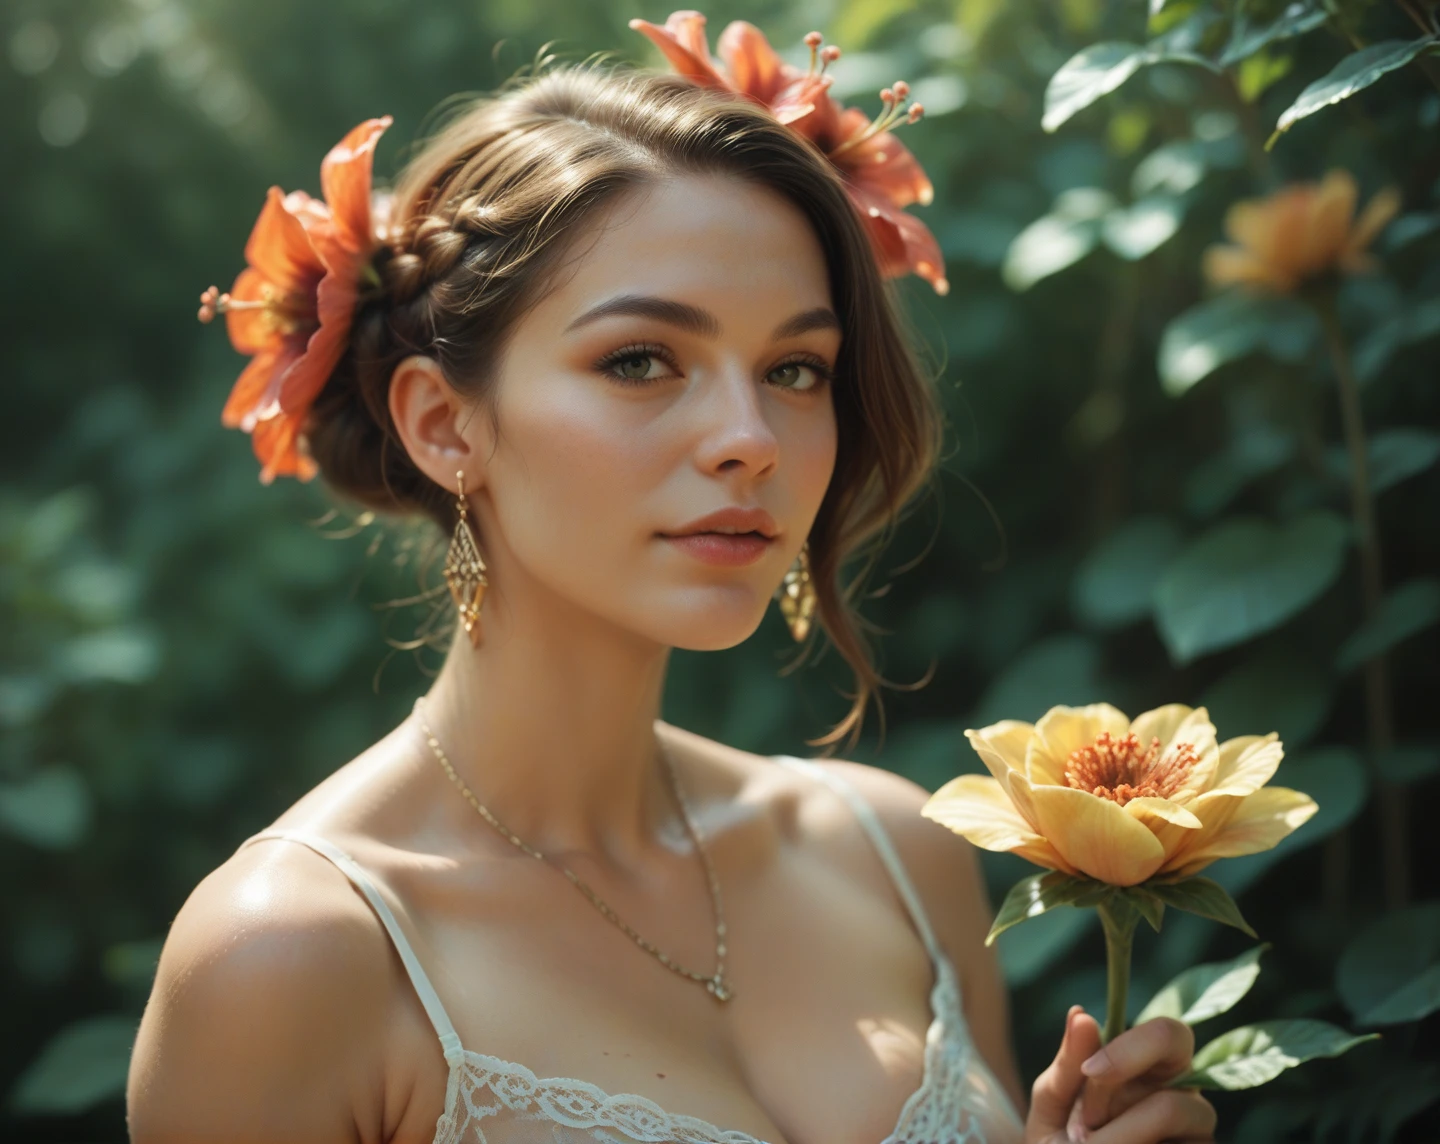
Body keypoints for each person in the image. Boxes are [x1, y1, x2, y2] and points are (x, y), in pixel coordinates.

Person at [127, 13, 1216, 1144]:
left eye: (796, 368)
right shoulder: (293, 955)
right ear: (444, 423)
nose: (750, 438)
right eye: (641, 360)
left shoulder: (903, 855)